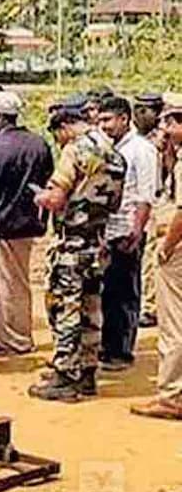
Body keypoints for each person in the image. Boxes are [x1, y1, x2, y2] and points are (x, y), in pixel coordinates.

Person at [29, 107, 125, 402]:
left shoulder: (75, 150)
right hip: (97, 243)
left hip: (71, 244)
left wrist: (41, 197)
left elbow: (57, 198)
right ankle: (87, 372)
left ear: (65, 127)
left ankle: (65, 374)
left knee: (65, 308)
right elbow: (114, 203)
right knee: (91, 309)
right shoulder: (115, 155)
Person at [0, 91, 54, 356]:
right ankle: (17, 335)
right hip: (30, 222)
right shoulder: (39, 144)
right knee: (20, 280)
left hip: (2, 224)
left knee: (6, 284)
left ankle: (14, 339)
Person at [98, 96, 159, 372]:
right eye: (101, 120)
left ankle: (120, 351)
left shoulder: (141, 150)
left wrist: (137, 229)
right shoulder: (111, 147)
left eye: (108, 120)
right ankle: (108, 345)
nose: (104, 126)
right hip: (108, 228)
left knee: (124, 293)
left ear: (124, 118)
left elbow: (145, 194)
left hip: (127, 229)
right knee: (108, 292)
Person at [131, 92, 182, 420]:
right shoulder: (173, 157)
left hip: (176, 250)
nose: (164, 128)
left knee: (174, 325)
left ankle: (172, 395)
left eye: (170, 122)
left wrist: (166, 246)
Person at [134, 92, 171, 328]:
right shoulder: (139, 138)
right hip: (145, 201)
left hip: (160, 201)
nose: (138, 115)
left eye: (143, 110)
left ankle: (150, 306)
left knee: (152, 255)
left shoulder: (163, 138)